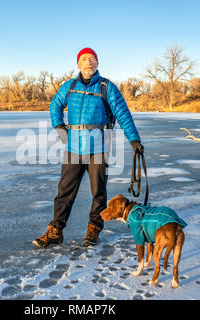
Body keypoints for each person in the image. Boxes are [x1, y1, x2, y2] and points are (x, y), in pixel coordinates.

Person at [32, 47, 143, 248]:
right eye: (84, 59)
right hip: (74, 147)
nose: (88, 62)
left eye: (92, 59)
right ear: (78, 64)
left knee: (98, 192)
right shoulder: (70, 86)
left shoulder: (106, 87)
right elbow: (55, 104)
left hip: (99, 148)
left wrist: (134, 139)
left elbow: (124, 114)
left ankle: (93, 229)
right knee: (64, 192)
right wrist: (59, 126)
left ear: (97, 63)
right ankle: (55, 231)